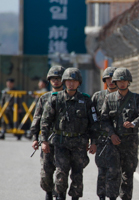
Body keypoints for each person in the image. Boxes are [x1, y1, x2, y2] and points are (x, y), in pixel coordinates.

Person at [41, 68, 98, 200]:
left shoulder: (86, 101)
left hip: (79, 143)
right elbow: (45, 121)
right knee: (61, 172)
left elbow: (94, 123)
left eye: (74, 81)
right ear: (64, 82)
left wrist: (94, 142)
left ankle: (75, 197)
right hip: (61, 142)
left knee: (78, 174)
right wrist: (44, 141)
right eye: (68, 81)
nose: (71, 84)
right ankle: (60, 196)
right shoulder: (56, 99)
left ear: (79, 83)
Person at [100, 68, 139, 200]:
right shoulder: (109, 99)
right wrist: (111, 134)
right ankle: (111, 197)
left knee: (128, 174)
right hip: (114, 143)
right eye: (119, 81)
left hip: (130, 142)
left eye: (125, 81)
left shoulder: (136, 98)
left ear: (129, 82)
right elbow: (104, 120)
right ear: (115, 82)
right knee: (113, 173)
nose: (122, 83)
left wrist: (133, 123)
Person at [30, 65, 66, 200]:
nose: (56, 81)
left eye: (59, 78)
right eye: (53, 79)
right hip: (47, 141)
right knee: (46, 171)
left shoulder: (68, 97)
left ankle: (61, 194)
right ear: (49, 80)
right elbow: (37, 118)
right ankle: (49, 194)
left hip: (63, 141)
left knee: (62, 171)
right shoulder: (44, 98)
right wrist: (35, 138)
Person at [91, 67, 119, 200]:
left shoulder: (122, 97)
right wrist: (93, 142)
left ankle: (113, 196)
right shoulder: (98, 96)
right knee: (102, 170)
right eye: (109, 78)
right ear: (105, 80)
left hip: (117, 140)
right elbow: (92, 120)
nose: (111, 81)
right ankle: (101, 196)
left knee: (115, 171)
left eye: (114, 78)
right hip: (102, 140)